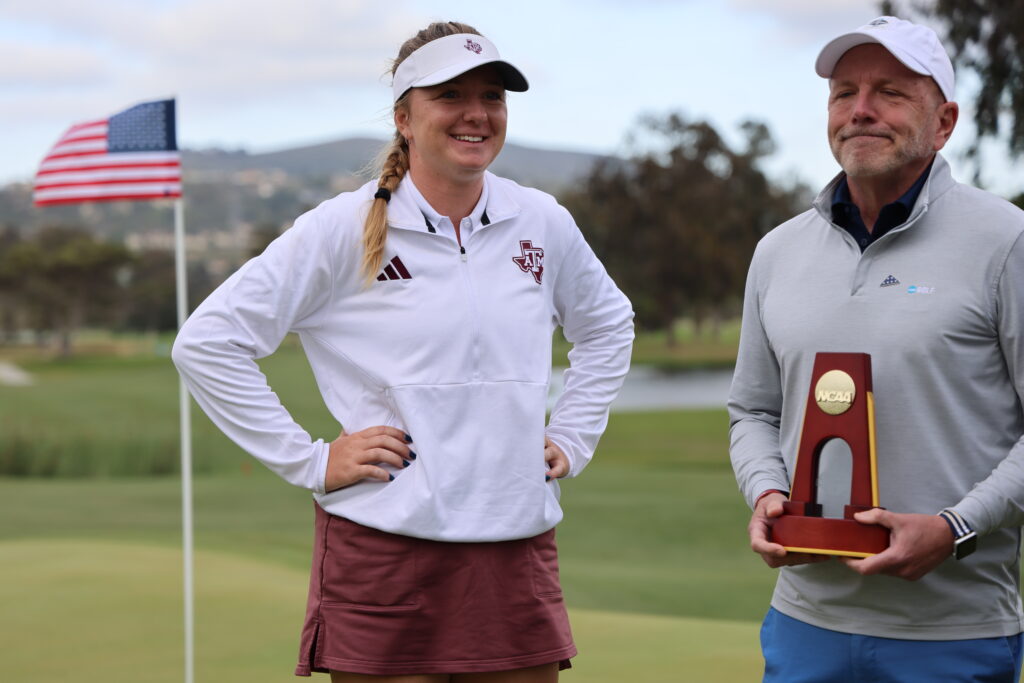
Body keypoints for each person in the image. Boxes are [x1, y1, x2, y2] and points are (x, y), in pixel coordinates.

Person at [172, 21, 634, 683]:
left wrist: (575, 432)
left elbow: (609, 323)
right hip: (382, 547)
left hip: (514, 541)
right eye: (450, 95)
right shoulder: (344, 226)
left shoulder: (542, 221)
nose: (477, 112)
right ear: (404, 117)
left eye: (493, 96)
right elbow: (208, 343)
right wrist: (311, 459)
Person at [728, 16, 1024, 683]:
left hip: (955, 633)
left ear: (944, 121)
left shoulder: (1007, 241)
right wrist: (767, 491)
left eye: (889, 91)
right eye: (844, 92)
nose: (861, 110)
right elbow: (751, 409)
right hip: (805, 624)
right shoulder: (777, 252)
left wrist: (956, 527)